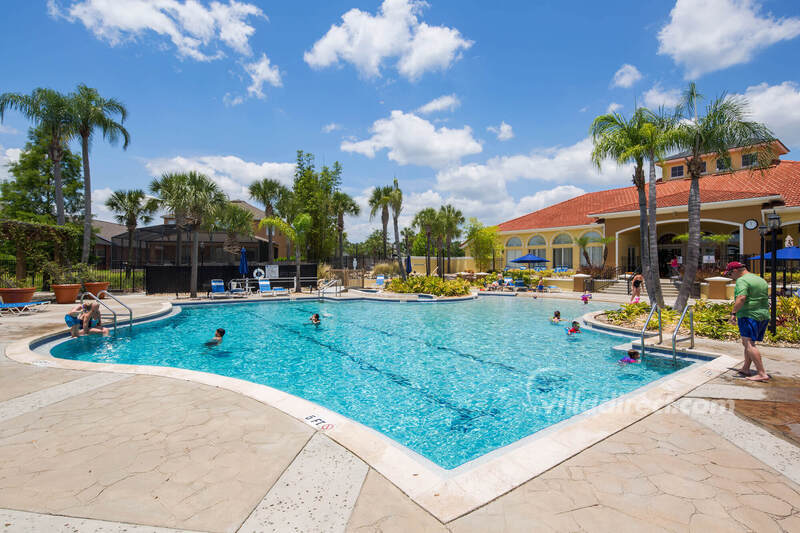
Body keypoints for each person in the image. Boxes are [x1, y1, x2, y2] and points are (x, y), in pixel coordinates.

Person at [725, 261, 770, 382]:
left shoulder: (742, 280)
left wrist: (733, 313)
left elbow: (741, 297)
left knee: (749, 344)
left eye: (729, 274)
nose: (730, 277)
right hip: (763, 315)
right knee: (749, 342)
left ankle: (761, 373)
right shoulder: (759, 279)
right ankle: (746, 368)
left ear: (734, 271)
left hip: (749, 315)